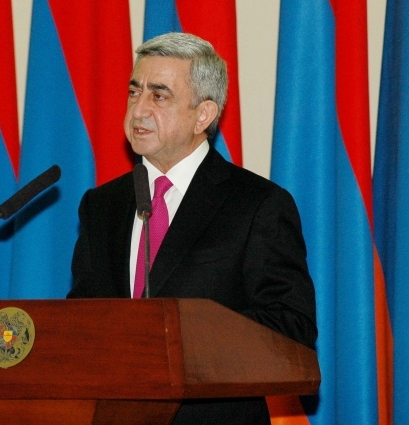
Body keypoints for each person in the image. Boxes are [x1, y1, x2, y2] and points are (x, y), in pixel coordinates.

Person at [67, 32, 317, 424]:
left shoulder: (257, 204)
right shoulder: (101, 205)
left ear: (203, 115)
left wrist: (181, 341)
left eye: (159, 95)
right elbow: (81, 319)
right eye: (134, 92)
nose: (138, 109)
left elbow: (291, 329)